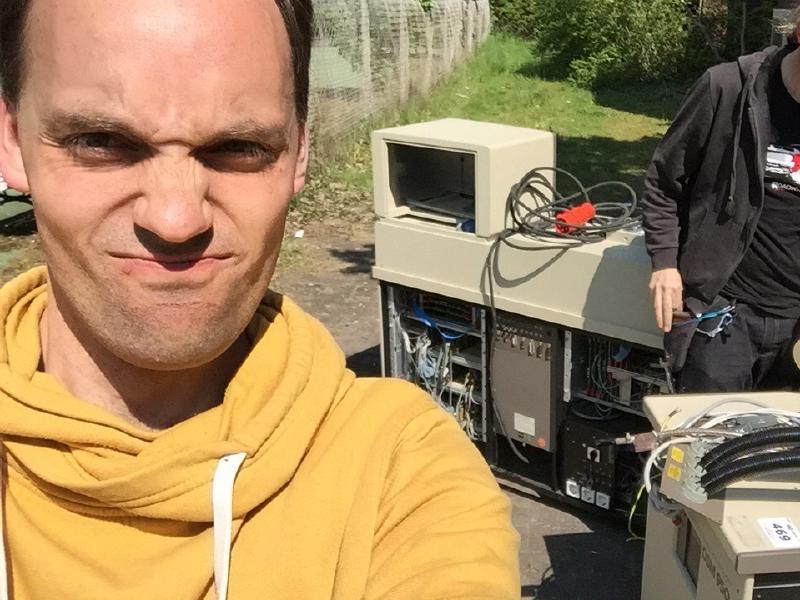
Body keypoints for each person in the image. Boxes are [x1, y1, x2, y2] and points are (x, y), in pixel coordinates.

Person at [0, 1, 520, 598]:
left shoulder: (398, 468)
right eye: (102, 142)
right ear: (11, 141)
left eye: (240, 147)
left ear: (300, 153)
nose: (175, 220)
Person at [642, 12, 800, 393]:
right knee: (709, 431)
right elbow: (663, 182)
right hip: (724, 316)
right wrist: (665, 264)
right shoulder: (727, 88)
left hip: (795, 328)